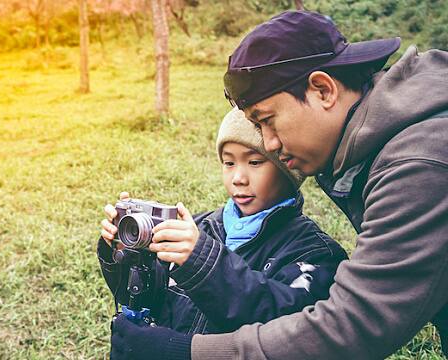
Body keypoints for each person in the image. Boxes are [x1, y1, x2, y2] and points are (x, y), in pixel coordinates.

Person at [110, 10, 448, 360]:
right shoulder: (385, 143)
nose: (269, 144)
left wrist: (186, 353)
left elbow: (354, 326)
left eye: (267, 121)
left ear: (322, 89)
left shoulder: (421, 161)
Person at [100, 108, 347, 358]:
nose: (238, 178)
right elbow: (147, 297)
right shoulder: (200, 227)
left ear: (288, 167)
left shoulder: (316, 254)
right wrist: (126, 255)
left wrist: (201, 260)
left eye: (254, 162)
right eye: (229, 162)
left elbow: (281, 328)